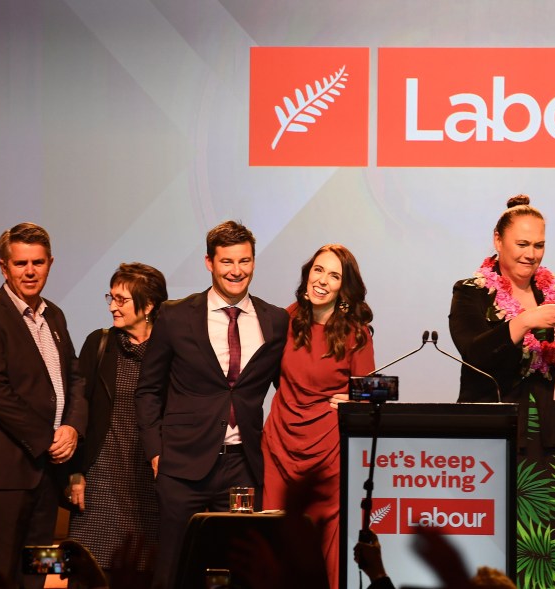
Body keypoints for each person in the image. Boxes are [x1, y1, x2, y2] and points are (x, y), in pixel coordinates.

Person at [448, 195, 555, 589]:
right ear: (498, 241)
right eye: (522, 244)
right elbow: (473, 351)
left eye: (539, 245)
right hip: (498, 433)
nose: (531, 254)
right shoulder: (471, 291)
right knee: (502, 538)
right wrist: (525, 322)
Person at [134, 220, 289, 589]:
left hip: (243, 467)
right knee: (173, 570)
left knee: (238, 573)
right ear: (209, 262)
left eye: (245, 260)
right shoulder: (175, 315)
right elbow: (148, 391)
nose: (237, 271)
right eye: (227, 262)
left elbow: (289, 388)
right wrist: (157, 453)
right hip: (182, 465)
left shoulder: (276, 320)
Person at [0, 222, 87, 589]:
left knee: (41, 570)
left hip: (49, 472)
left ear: (50, 263)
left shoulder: (55, 315)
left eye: (38, 262)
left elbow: (75, 379)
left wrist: (72, 428)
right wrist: (46, 438)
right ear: (3, 268)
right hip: (4, 472)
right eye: (20, 264)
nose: (30, 271)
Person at [261, 244, 375, 589]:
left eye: (334, 275)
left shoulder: (357, 332)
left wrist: (356, 396)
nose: (322, 280)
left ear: (344, 287)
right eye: (318, 270)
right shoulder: (284, 319)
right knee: (275, 541)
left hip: (328, 451)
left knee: (324, 544)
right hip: (280, 444)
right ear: (308, 273)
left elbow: (373, 392)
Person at [67, 263, 168, 572]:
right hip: (101, 480)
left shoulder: (171, 350)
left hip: (148, 483)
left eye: (121, 300)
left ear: (148, 304)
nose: (112, 306)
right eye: (110, 297)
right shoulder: (99, 344)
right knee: (88, 570)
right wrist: (75, 474)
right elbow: (78, 410)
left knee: (143, 569)